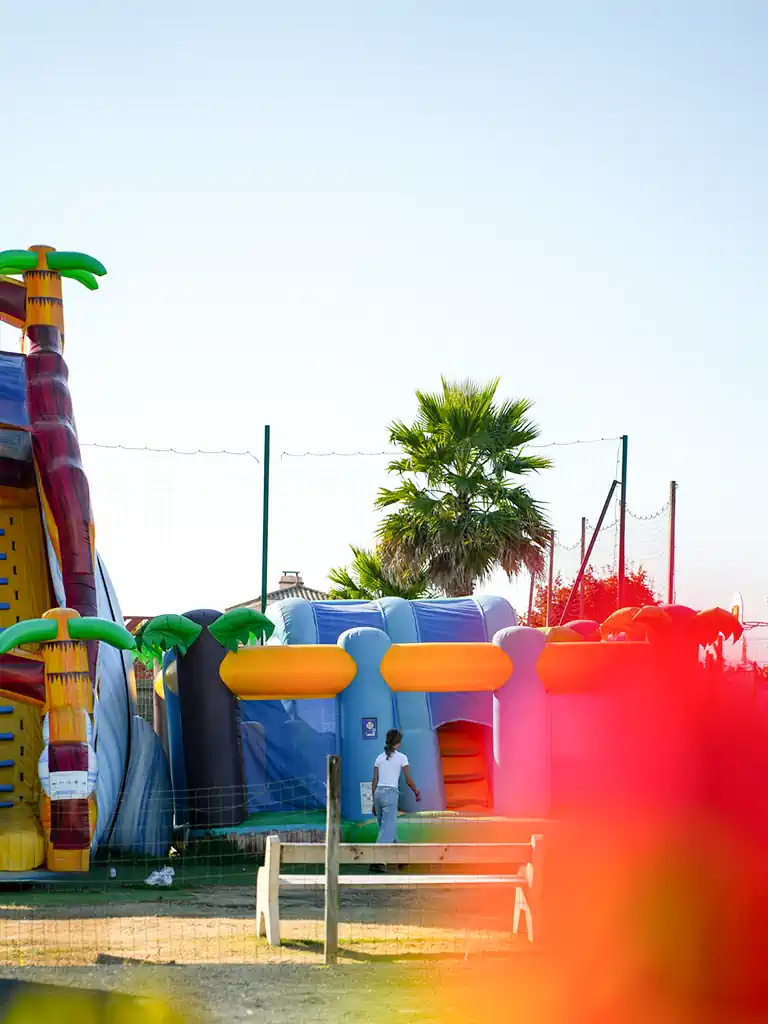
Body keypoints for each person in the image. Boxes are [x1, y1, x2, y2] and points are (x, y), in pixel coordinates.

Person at [372, 729, 420, 848]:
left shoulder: (379, 758)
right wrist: (416, 791)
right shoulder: (402, 758)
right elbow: (408, 780)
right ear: (398, 742)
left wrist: (374, 802)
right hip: (390, 795)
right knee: (387, 831)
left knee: (387, 829)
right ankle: (377, 862)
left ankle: (400, 856)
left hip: (378, 793)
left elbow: (374, 781)